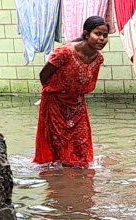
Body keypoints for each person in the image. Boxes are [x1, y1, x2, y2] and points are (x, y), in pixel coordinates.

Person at [33, 16, 109, 167]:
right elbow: (44, 75)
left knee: (81, 143)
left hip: (77, 104)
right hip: (55, 103)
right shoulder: (64, 52)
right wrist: (51, 94)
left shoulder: (98, 58)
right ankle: (62, 180)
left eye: (105, 35)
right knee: (58, 143)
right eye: (97, 34)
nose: (101, 39)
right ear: (87, 34)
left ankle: (80, 180)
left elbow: (86, 84)